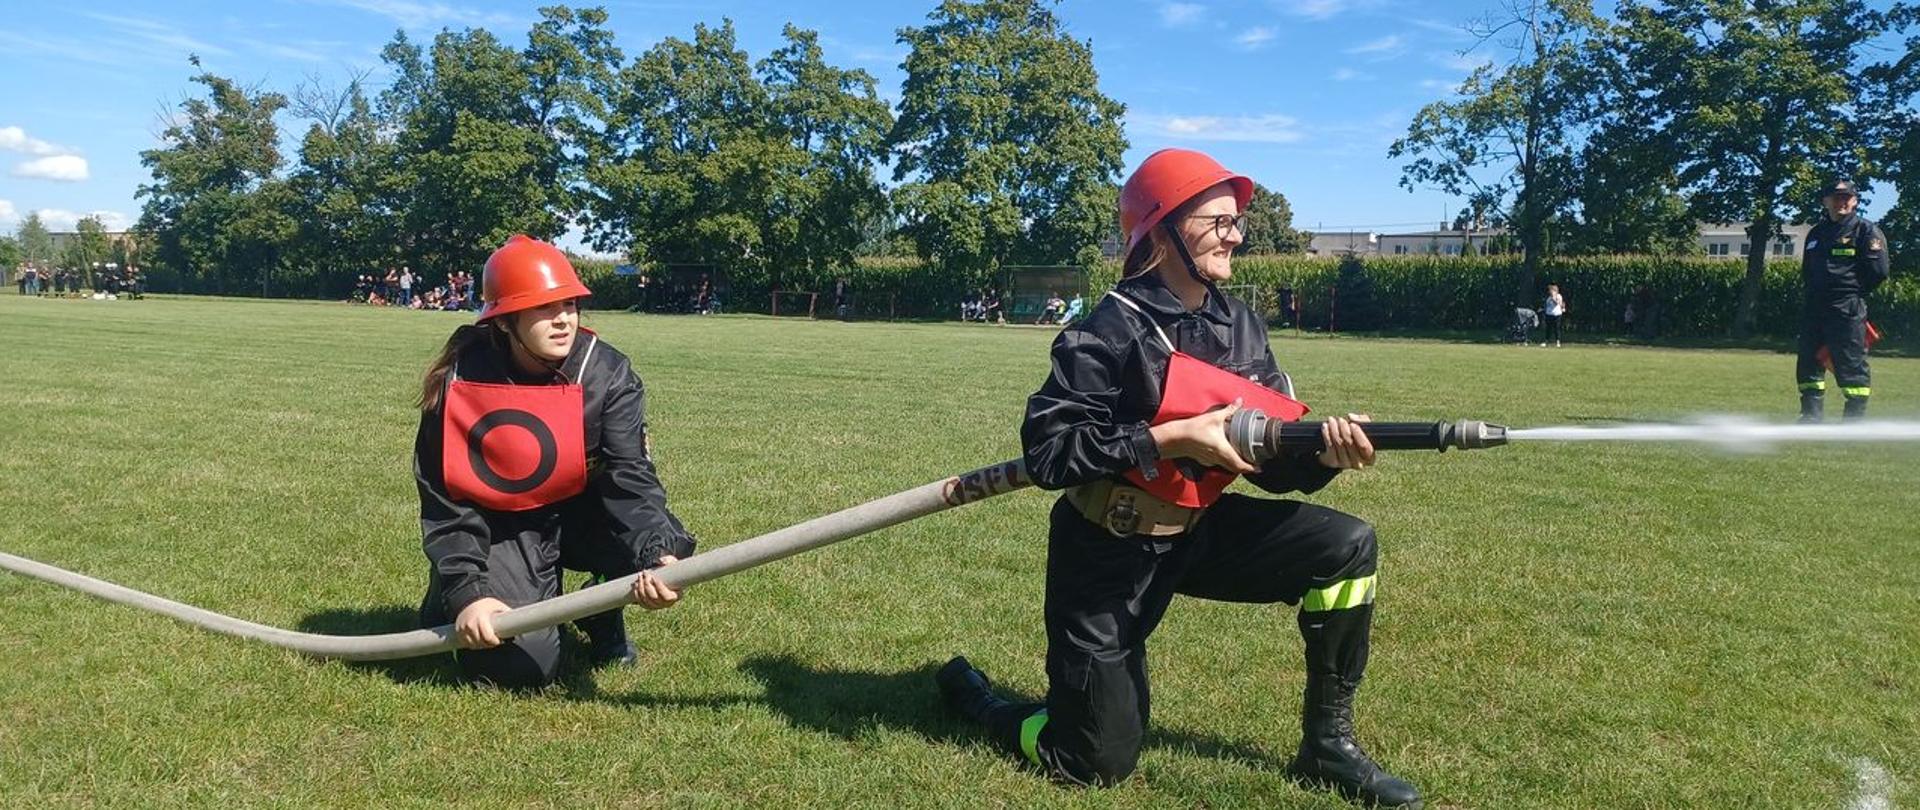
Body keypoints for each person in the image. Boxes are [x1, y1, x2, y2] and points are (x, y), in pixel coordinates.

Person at [935, 148, 1420, 808]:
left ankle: (1327, 746)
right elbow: (1050, 453)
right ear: (1162, 231)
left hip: (1199, 533)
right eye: (1218, 221)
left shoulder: (1240, 326)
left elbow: (1269, 464)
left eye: (1236, 221)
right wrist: (1169, 438)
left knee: (1346, 548)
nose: (1235, 236)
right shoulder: (1105, 330)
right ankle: (985, 705)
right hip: (1106, 551)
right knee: (1093, 761)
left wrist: (1324, 456)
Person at [415, 235, 697, 689]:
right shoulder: (460, 383)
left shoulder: (608, 374)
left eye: (569, 304)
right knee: (521, 670)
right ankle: (448, 595)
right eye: (544, 308)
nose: (564, 319)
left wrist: (657, 554)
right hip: (504, 524)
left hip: (580, 516)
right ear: (504, 321)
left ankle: (600, 607)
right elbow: (447, 501)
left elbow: (630, 477)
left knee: (664, 541)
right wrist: (468, 592)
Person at [1797, 179, 1891, 422]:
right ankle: (1810, 416)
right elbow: (1807, 270)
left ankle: (1853, 420)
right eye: (1836, 197)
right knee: (1808, 360)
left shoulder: (1866, 231)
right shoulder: (1816, 233)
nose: (1841, 202)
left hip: (1847, 306)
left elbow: (1879, 271)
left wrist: (1852, 293)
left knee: (1850, 361)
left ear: (1855, 201)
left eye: (1846, 198)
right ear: (1825, 201)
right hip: (1815, 307)